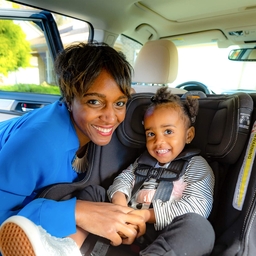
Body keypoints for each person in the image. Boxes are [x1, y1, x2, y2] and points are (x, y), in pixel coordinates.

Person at [0, 42, 146, 256]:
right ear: (69, 99)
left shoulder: (117, 132)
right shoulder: (38, 142)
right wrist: (77, 212)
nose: (110, 117)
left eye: (120, 103)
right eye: (95, 101)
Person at [107, 87, 215, 256]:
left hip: (164, 238)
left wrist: (145, 216)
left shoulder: (196, 165)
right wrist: (120, 206)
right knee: (92, 193)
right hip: (123, 224)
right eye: (151, 134)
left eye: (168, 132)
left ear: (189, 135)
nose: (159, 141)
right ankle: (74, 244)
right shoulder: (142, 162)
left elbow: (197, 206)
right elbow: (123, 179)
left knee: (199, 227)